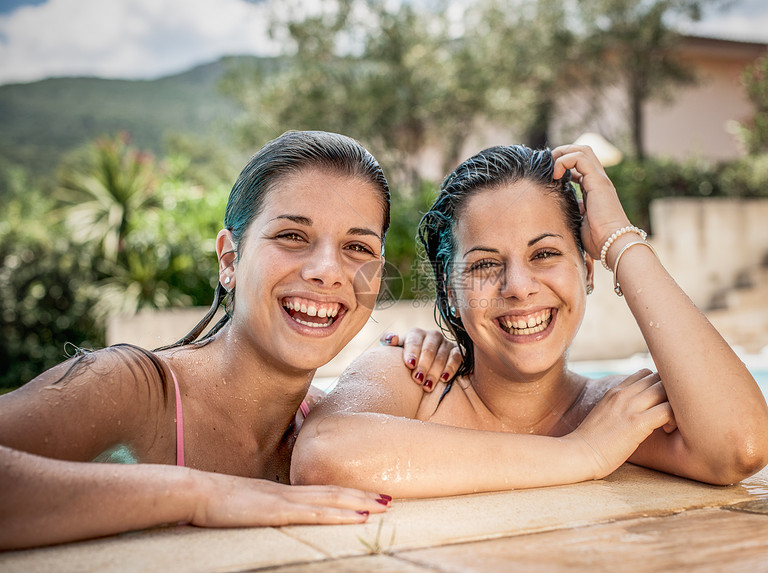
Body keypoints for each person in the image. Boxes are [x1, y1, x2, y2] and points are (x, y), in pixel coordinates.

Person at [0, 130, 461, 550]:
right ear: (229, 259)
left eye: (358, 247)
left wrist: (447, 357)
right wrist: (195, 494)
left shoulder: (328, 433)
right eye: (292, 235)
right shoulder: (131, 390)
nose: (327, 271)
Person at [291, 143, 768, 498]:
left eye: (545, 253)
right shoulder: (413, 375)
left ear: (587, 269)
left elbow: (741, 447)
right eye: (483, 264)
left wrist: (620, 243)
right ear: (450, 292)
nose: (518, 286)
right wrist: (582, 454)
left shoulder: (612, 412)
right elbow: (321, 457)